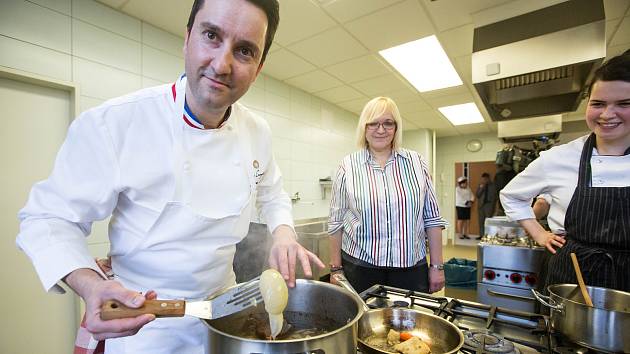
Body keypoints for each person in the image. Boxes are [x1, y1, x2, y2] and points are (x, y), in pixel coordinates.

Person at [15, 0, 324, 353]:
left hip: (227, 317)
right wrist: (89, 284)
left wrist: (283, 233)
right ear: (188, 37)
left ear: (258, 67)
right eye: (211, 35)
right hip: (143, 323)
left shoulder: (258, 131)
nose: (222, 65)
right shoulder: (116, 122)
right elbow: (47, 218)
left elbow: (272, 193)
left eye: (244, 51)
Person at [500, 50, 630, 292]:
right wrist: (540, 234)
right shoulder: (559, 158)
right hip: (570, 273)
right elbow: (511, 196)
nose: (607, 114)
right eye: (598, 104)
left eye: (624, 104)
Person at [327, 96, 447, 294]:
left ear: (396, 128)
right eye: (373, 123)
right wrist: (336, 269)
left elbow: (432, 220)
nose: (380, 129)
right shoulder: (347, 166)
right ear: (364, 128)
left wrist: (437, 267)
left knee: (409, 323)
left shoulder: (417, 163)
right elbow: (336, 221)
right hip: (360, 267)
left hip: (410, 268)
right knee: (364, 323)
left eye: (388, 123)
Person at [475, 172, 497, 240]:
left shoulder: (493, 185)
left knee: (488, 221)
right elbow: (477, 195)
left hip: (489, 206)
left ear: (488, 178)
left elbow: (495, 197)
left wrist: (493, 207)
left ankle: (488, 235)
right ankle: (481, 235)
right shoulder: (481, 185)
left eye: (485, 179)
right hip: (481, 205)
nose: (484, 180)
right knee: (481, 221)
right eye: (483, 179)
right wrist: (482, 187)